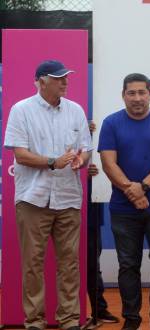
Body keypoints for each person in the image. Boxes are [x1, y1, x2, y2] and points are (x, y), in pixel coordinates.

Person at [3, 60, 93, 330]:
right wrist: (53, 162)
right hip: (33, 199)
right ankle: (35, 322)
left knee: (69, 264)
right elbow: (20, 154)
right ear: (42, 81)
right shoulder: (21, 110)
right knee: (32, 264)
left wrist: (80, 160)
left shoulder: (75, 110)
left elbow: (85, 149)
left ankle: (68, 321)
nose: (65, 82)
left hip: (68, 198)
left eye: (66, 77)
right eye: (58, 78)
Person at [98, 73, 150, 330]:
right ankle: (132, 319)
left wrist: (142, 187)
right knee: (128, 264)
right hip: (123, 207)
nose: (137, 98)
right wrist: (131, 192)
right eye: (131, 93)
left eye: (141, 92)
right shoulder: (111, 123)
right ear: (123, 95)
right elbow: (108, 163)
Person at [85, 122, 120, 326]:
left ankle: (99, 309)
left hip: (90, 214)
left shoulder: (102, 136)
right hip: (59, 208)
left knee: (92, 264)